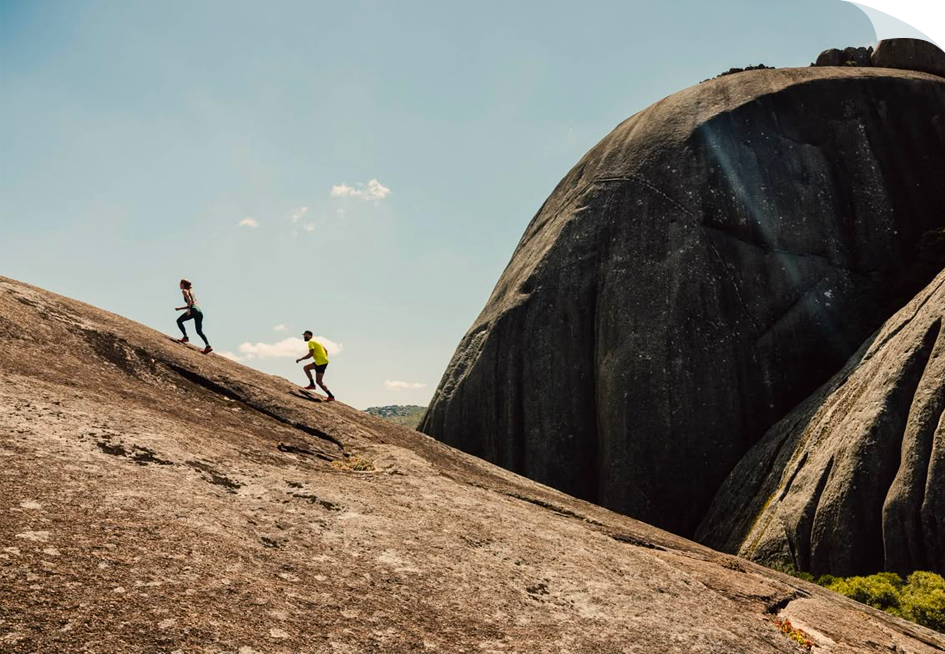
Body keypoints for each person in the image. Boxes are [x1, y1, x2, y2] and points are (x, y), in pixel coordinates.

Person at [175, 279, 212, 354]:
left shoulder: (184, 291)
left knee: (179, 321)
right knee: (199, 331)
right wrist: (180, 308)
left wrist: (188, 310)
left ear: (183, 284)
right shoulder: (192, 292)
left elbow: (189, 300)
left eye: (180, 284)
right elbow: (192, 303)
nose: (179, 285)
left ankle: (185, 337)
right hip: (199, 311)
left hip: (193, 310)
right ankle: (208, 346)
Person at [296, 330, 335, 401]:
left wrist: (301, 359)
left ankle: (329, 395)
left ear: (310, 335)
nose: (304, 337)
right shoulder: (317, 342)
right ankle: (314, 386)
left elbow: (311, 354)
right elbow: (326, 350)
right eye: (304, 335)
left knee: (318, 381)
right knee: (307, 369)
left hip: (320, 363)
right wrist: (324, 358)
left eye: (305, 335)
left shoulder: (311, 342)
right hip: (322, 362)